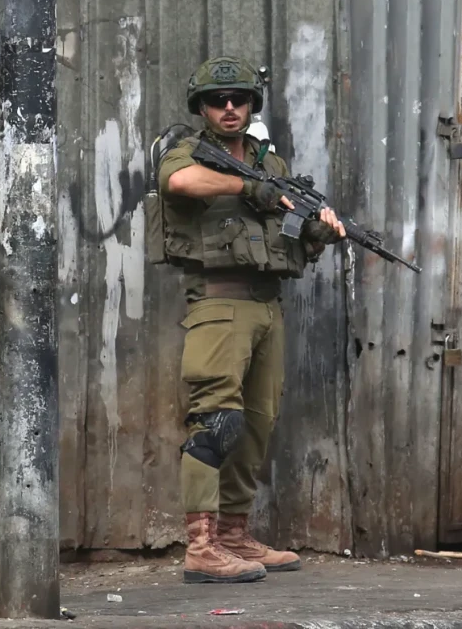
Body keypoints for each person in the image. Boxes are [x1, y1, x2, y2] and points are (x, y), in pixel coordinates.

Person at [152, 57, 346, 584]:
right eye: (217, 100)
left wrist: (316, 231)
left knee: (256, 425)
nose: (229, 107)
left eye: (239, 98)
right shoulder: (189, 152)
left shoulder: (271, 163)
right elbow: (177, 181)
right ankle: (201, 547)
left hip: (267, 304)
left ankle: (235, 534)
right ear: (202, 108)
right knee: (216, 421)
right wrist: (246, 188)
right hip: (218, 301)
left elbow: (286, 229)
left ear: (252, 104)